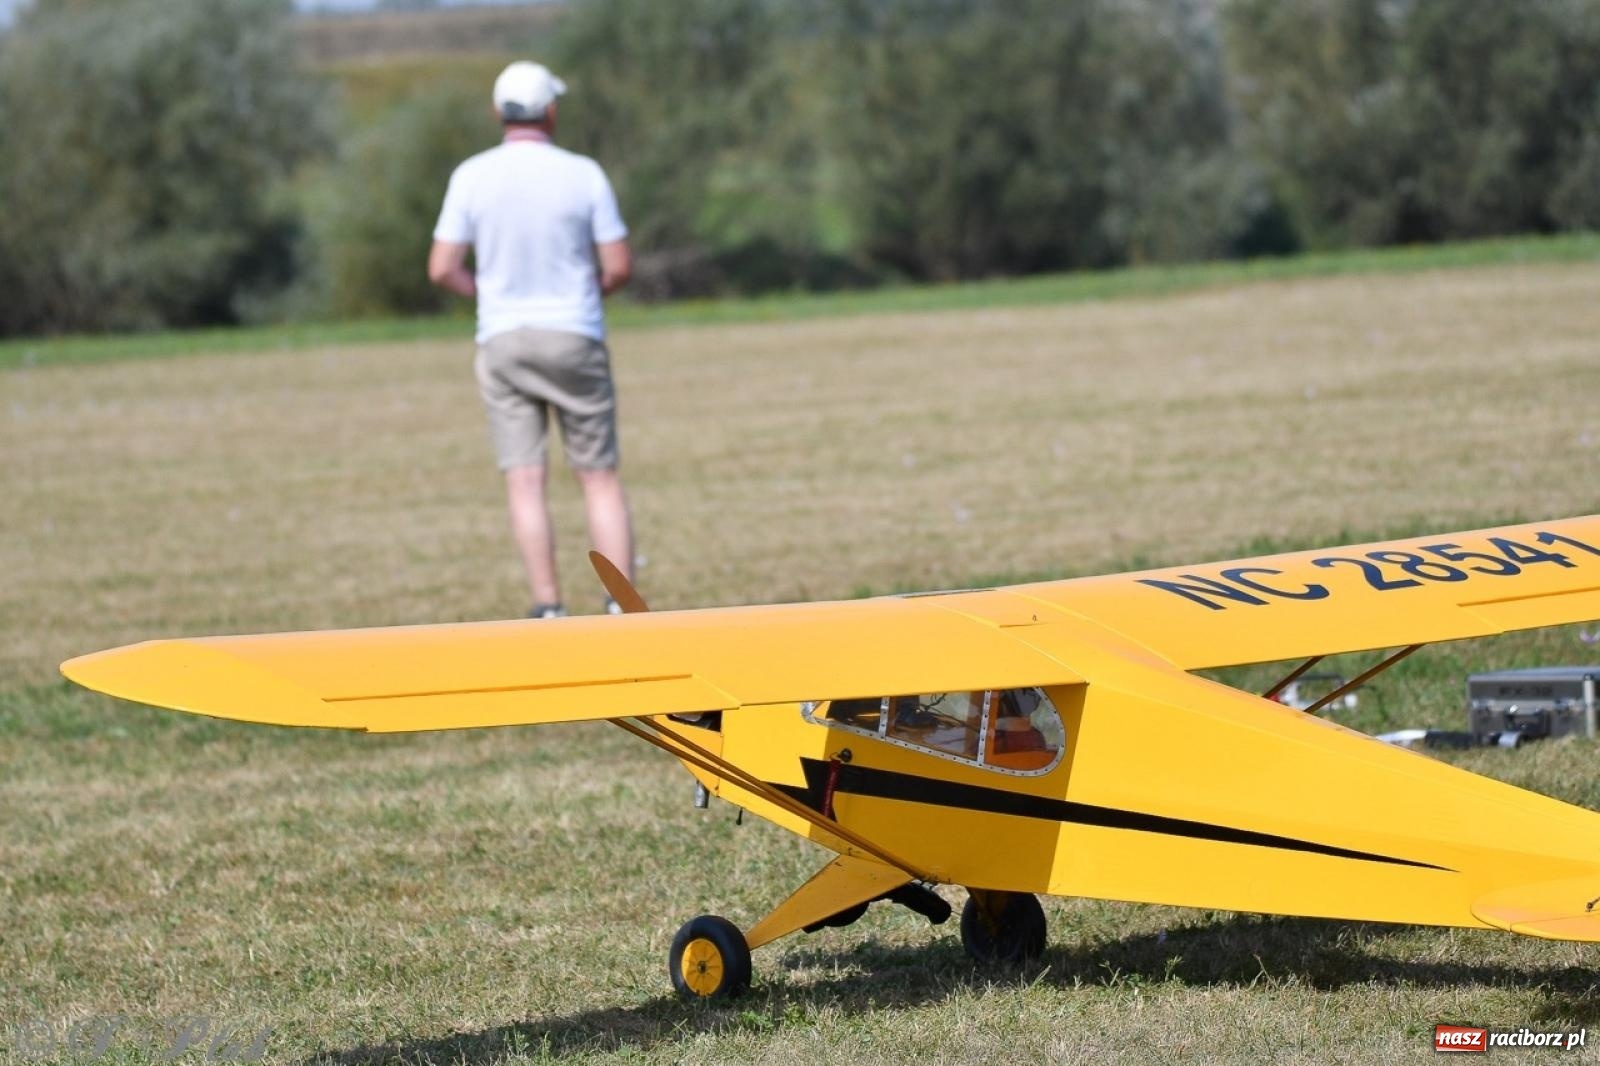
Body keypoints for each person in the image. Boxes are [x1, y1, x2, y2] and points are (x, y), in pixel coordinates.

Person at [428, 60, 635, 619]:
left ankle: (548, 606)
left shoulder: (471, 175)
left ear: (499, 113)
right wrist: (588, 292)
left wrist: (488, 295)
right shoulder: (583, 173)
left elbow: (442, 266)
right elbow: (617, 265)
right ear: (551, 111)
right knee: (597, 477)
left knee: (525, 480)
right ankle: (621, 607)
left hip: (502, 338)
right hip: (574, 334)